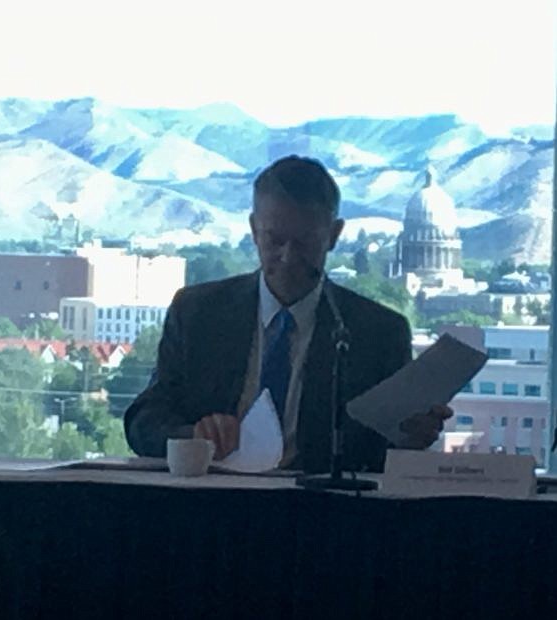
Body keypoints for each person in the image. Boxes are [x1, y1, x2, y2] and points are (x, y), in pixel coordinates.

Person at [124, 155, 451, 473]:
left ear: (334, 235)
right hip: (214, 501)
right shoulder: (199, 314)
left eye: (305, 242)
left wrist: (410, 437)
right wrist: (194, 435)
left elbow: (378, 453)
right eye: (275, 240)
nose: (288, 257)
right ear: (254, 229)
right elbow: (144, 421)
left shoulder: (376, 332)